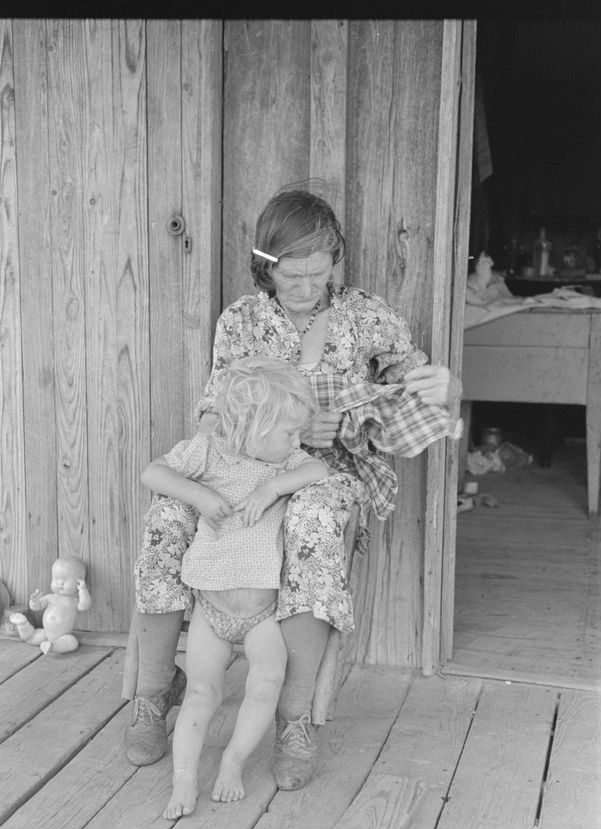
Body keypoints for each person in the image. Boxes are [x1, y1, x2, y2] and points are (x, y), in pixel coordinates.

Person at [122, 186, 462, 790]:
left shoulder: (367, 317)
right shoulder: (243, 320)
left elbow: (417, 387)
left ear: (335, 260)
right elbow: (213, 414)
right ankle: (153, 694)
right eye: (291, 276)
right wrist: (229, 462)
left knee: (311, 522)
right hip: (243, 462)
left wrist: (442, 387)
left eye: (318, 273)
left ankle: (292, 719)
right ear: (265, 264)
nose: (306, 288)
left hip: (324, 470)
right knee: (170, 512)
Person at [140, 357, 330, 818]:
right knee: (204, 692)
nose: (296, 440)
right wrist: (199, 495)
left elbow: (319, 470)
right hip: (211, 611)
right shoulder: (207, 452)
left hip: (262, 616)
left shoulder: (286, 461)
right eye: (288, 432)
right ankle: (184, 780)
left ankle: (233, 761)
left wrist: (274, 489)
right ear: (253, 425)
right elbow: (154, 473)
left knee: (265, 682)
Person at [10, 555, 92, 654]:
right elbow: (36, 607)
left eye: (66, 580)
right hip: (45, 633)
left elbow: (84, 606)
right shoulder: (50, 597)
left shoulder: (73, 601)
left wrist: (83, 591)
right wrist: (35, 601)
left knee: (72, 642)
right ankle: (22, 624)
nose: (60, 583)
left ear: (79, 582)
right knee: (31, 637)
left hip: (63, 636)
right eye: (56, 579)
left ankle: (53, 646)